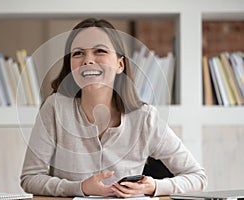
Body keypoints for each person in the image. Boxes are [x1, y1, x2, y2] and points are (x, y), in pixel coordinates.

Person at [20, 18, 207, 198]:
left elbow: (198, 177)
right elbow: (30, 178)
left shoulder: (145, 119)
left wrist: (154, 186)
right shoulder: (54, 108)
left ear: (120, 64)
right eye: (78, 53)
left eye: (99, 51)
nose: (88, 60)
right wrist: (80, 188)